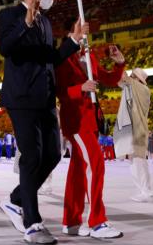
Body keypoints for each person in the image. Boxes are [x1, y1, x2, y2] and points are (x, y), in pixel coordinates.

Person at [0, 0, 87, 244]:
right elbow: (6, 48)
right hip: (21, 98)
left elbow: (51, 59)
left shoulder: (46, 22)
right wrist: (24, 24)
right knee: (32, 156)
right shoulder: (10, 15)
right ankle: (32, 222)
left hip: (45, 99)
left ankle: (15, 200)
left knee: (52, 155)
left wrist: (72, 41)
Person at [56, 32, 126, 239]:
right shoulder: (62, 58)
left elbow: (109, 79)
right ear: (70, 34)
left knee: (78, 172)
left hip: (91, 120)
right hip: (76, 122)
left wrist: (120, 64)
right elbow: (58, 91)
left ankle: (71, 221)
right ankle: (97, 222)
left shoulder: (89, 57)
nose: (85, 37)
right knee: (96, 164)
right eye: (80, 31)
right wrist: (80, 88)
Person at [114, 68, 153, 202]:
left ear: (138, 79)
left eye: (133, 76)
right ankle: (144, 191)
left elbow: (123, 77)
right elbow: (120, 81)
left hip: (139, 130)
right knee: (135, 161)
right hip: (133, 130)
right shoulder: (133, 88)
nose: (130, 77)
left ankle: (146, 192)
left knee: (138, 161)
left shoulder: (143, 90)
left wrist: (120, 63)